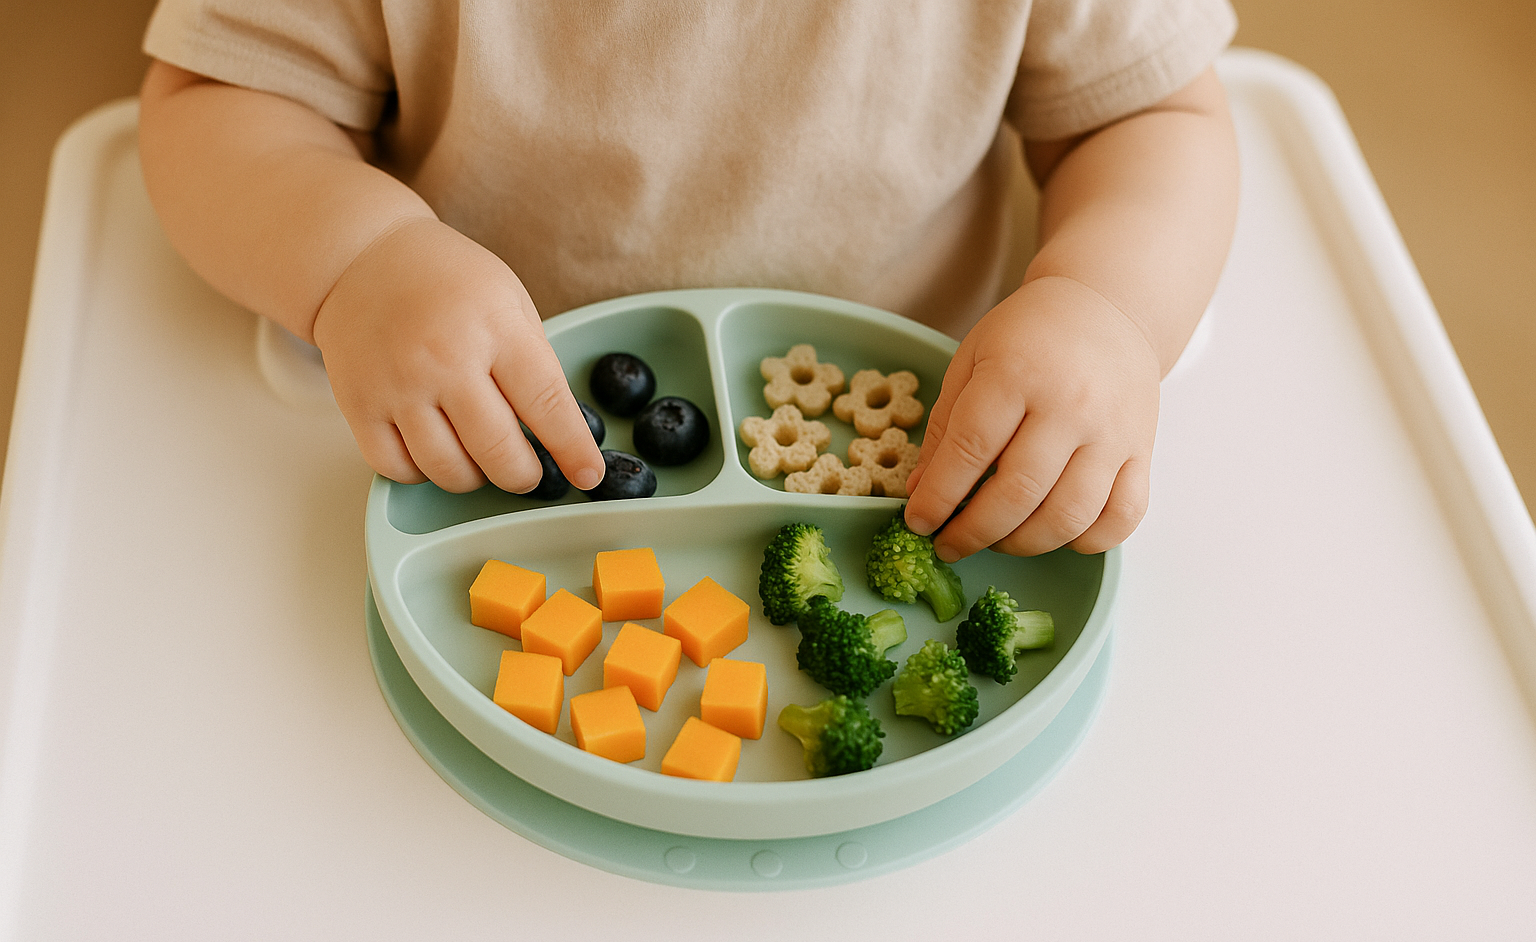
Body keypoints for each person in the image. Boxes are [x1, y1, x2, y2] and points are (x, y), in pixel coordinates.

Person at [137, 0, 1239, 562]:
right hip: (469, 429)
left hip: (910, 442)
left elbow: (1149, 111)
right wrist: (355, 261)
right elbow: (221, 99)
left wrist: (1110, 310)